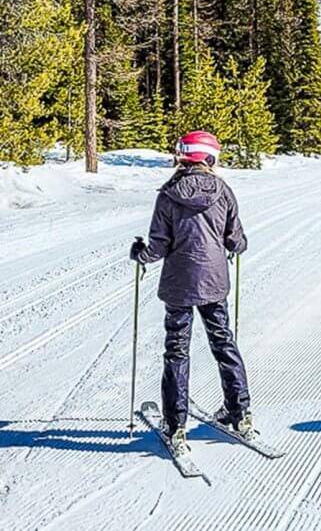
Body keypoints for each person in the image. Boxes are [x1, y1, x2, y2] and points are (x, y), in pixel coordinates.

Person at [130, 130, 254, 455]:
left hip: (179, 284)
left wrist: (139, 254)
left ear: (184, 157)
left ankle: (176, 425)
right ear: (209, 158)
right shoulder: (224, 191)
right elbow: (234, 239)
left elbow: (158, 246)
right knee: (223, 342)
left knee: (177, 351)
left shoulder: (169, 194)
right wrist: (238, 244)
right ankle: (239, 413)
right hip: (214, 282)